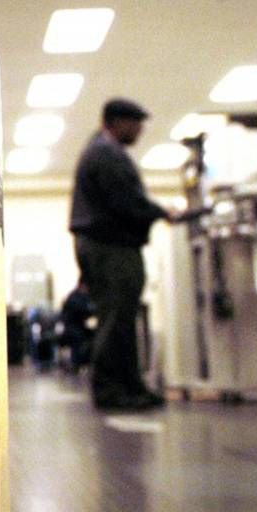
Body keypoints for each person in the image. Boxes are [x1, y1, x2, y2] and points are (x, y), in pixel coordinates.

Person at [69, 98, 175, 410]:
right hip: (109, 246)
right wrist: (162, 211)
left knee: (119, 317)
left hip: (105, 244)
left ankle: (130, 388)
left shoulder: (102, 150)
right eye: (136, 123)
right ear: (117, 122)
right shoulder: (106, 153)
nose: (140, 129)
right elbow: (127, 202)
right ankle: (111, 391)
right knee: (117, 318)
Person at [57, 281, 95, 374]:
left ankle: (83, 363)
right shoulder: (76, 297)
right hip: (71, 327)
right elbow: (84, 309)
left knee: (91, 336)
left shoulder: (77, 295)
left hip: (77, 326)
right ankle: (77, 365)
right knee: (79, 340)